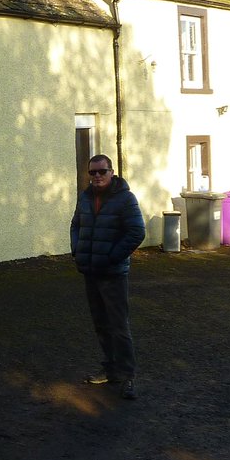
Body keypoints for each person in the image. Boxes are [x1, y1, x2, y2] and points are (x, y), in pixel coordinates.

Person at [70, 154, 146, 399]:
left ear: (111, 172)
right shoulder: (85, 198)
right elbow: (75, 225)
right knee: (101, 325)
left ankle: (128, 377)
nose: (97, 176)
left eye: (102, 171)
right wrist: (77, 251)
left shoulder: (125, 199)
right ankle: (111, 370)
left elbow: (137, 232)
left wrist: (113, 256)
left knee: (118, 326)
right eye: (92, 173)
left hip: (112, 273)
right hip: (90, 271)